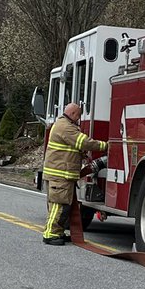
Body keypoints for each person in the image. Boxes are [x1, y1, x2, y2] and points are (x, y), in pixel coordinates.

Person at [40, 102, 107, 246]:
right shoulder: (66, 127)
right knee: (59, 205)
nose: (79, 118)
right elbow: (83, 142)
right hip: (60, 174)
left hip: (60, 173)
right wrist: (105, 146)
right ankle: (50, 234)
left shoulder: (61, 125)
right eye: (78, 115)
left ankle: (57, 232)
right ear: (73, 114)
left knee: (60, 205)